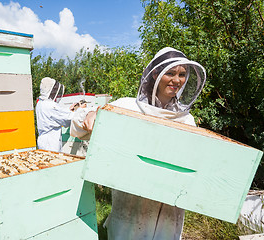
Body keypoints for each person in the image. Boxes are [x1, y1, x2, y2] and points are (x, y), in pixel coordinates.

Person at [70, 47, 206, 240]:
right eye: (171, 73)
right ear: (156, 73)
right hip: (130, 208)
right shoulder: (127, 107)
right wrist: (91, 114)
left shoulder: (186, 120)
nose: (177, 80)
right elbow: (78, 126)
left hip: (169, 212)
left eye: (182, 74)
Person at [35, 77, 84, 152]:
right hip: (51, 143)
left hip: (43, 141)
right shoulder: (50, 105)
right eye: (54, 90)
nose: (55, 93)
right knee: (53, 162)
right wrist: (81, 109)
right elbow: (69, 119)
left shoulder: (40, 103)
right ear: (50, 90)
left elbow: (56, 115)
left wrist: (68, 109)